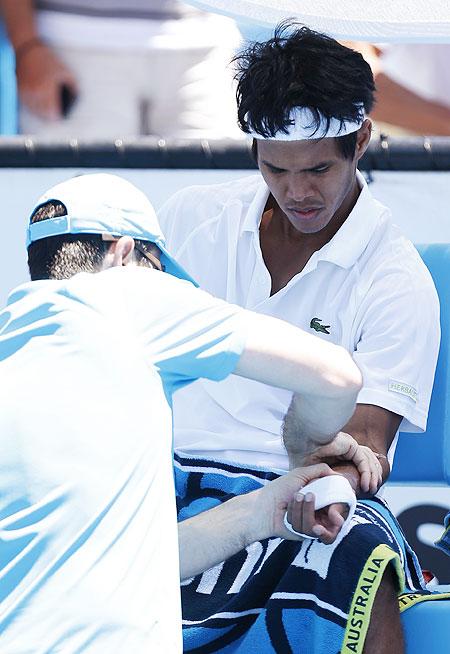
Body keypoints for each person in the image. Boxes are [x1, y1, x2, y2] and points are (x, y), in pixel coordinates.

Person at [0, 171, 382, 651]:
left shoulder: (11, 349)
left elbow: (136, 562)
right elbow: (336, 376)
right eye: (157, 267)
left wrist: (260, 513)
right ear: (122, 253)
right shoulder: (127, 294)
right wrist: (308, 442)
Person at [158, 24, 441, 654]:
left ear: (362, 139)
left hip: (301, 484)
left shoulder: (399, 283)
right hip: (164, 477)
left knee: (358, 545)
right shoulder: (188, 216)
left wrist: (316, 490)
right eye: (275, 169)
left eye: (317, 169)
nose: (297, 192)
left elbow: (364, 447)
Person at [0, 0, 242, 138]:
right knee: (76, 212)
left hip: (205, 45)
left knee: (214, 203)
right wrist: (27, 45)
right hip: (71, 47)